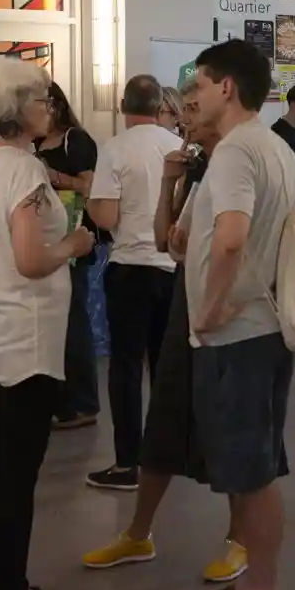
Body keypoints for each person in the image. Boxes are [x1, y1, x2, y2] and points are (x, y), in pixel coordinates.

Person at [83, 78, 250, 585]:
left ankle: (241, 540)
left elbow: (234, 244)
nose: (183, 118)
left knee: (228, 424)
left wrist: (215, 307)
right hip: (182, 295)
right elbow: (169, 240)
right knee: (166, 411)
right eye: (181, 108)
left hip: (225, 313)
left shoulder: (246, 160)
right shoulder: (197, 165)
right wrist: (167, 183)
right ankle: (139, 530)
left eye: (192, 107)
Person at [0, 57, 94, 590]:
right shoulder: (24, 172)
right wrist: (75, 244)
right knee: (17, 473)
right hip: (25, 338)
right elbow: (32, 260)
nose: (49, 108)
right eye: (41, 100)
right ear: (16, 110)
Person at [173, 39, 295, 590]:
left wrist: (213, 306)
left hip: (239, 334)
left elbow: (231, 238)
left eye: (199, 84)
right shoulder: (274, 148)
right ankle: (257, 585)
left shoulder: (234, 153)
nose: (193, 97)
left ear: (226, 87)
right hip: (262, 331)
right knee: (255, 470)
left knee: (251, 476)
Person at [85, 75, 183, 490]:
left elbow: (106, 216)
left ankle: (127, 463)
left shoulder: (115, 148)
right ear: (160, 106)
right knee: (164, 365)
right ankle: (166, 458)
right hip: (171, 266)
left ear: (122, 105)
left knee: (125, 367)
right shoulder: (177, 147)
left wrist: (91, 199)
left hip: (130, 267)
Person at [35, 81, 100, 429]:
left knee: (73, 320)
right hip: (44, 238)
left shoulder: (76, 140)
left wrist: (53, 176)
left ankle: (81, 403)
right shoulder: (34, 143)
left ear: (55, 105)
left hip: (72, 236)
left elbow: (90, 186)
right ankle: (56, 400)